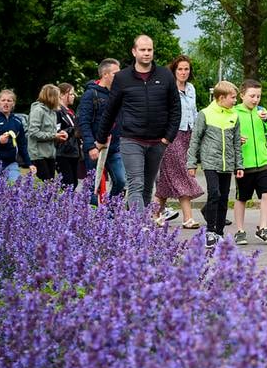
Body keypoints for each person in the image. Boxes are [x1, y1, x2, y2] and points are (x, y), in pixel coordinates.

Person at [95, 35, 180, 211]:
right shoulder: (123, 78)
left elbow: (175, 109)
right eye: (142, 50)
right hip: (131, 139)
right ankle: (139, 228)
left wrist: (167, 138)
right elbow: (110, 110)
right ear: (134, 52)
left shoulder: (165, 75)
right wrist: (101, 138)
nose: (146, 53)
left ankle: (142, 229)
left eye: (149, 49)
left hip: (158, 141)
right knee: (136, 184)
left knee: (148, 188)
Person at [187, 81, 243, 248]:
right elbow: (195, 139)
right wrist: (191, 163)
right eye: (233, 98)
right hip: (210, 162)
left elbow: (236, 143)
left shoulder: (234, 115)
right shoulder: (205, 114)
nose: (235, 101)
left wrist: (239, 166)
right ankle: (210, 232)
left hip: (228, 164)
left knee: (224, 198)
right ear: (221, 98)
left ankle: (219, 232)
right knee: (214, 194)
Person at [154, 56, 204, 227]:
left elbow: (194, 112)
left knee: (165, 182)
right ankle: (188, 218)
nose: (183, 72)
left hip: (188, 135)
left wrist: (199, 132)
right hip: (171, 136)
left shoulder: (191, 88)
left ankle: (154, 215)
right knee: (182, 174)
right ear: (174, 71)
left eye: (186, 69)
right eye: (180, 69)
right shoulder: (167, 88)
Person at [232, 79, 267, 245]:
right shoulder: (234, 113)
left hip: (264, 161)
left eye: (258, 96)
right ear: (242, 95)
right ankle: (240, 230)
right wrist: (236, 140)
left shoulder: (262, 112)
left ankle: (263, 228)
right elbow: (227, 135)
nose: (255, 100)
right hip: (243, 163)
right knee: (242, 197)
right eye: (252, 96)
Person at [78, 58, 126, 205]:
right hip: (95, 147)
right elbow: (83, 122)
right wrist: (91, 146)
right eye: (115, 74)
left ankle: (109, 215)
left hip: (114, 147)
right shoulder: (91, 94)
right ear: (105, 74)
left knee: (120, 181)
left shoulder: (118, 94)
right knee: (93, 186)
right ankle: (89, 217)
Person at [0, 89, 35, 182]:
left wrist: (29, 164)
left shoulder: (17, 121)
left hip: (11, 163)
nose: (6, 103)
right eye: (3, 100)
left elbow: (22, 145)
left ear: (13, 104)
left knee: (15, 189)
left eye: (9, 101)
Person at [27, 84, 67, 181]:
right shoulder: (38, 110)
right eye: (58, 97)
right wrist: (54, 135)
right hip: (38, 155)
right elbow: (33, 132)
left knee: (50, 185)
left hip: (50, 154)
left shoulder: (52, 112)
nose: (60, 99)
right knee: (46, 184)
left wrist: (60, 135)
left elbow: (51, 133)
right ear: (51, 97)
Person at [55, 84, 82, 187]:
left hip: (74, 152)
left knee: (74, 183)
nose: (73, 96)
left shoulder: (71, 112)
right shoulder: (57, 111)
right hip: (63, 152)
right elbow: (57, 131)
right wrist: (74, 128)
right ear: (61, 95)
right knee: (68, 184)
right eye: (70, 94)